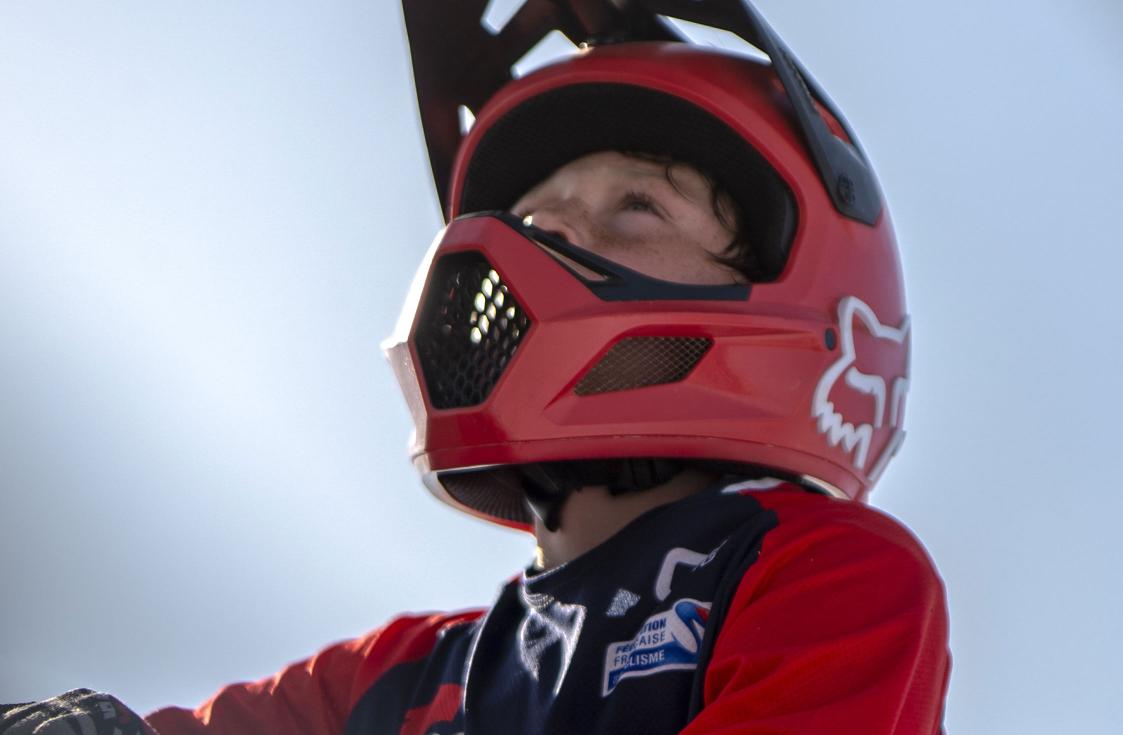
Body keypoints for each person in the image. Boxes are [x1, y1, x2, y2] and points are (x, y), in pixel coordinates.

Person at [1, 8, 950, 735]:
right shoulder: (401, 670)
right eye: (533, 220)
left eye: (636, 207)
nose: (554, 237)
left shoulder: (829, 574)